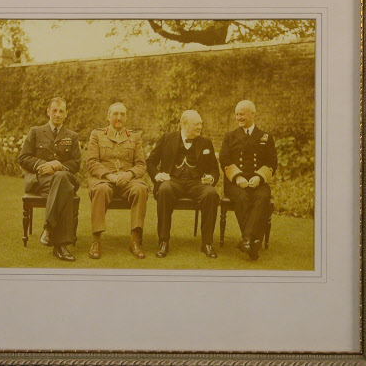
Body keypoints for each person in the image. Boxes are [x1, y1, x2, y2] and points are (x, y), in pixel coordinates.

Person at [146, 110, 220, 258]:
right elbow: (151, 161)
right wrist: (157, 175)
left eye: (200, 124)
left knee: (211, 194)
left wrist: (211, 178)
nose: (200, 127)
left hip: (196, 183)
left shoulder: (205, 142)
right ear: (183, 124)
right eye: (196, 124)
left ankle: (207, 243)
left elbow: (214, 169)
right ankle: (163, 241)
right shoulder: (167, 138)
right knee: (165, 190)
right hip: (173, 181)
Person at [18, 97, 81, 262]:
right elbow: (23, 158)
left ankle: (48, 227)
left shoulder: (72, 136)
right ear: (48, 111)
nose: (58, 114)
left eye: (61, 111)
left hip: (64, 176)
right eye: (55, 110)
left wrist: (58, 165)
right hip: (42, 181)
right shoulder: (36, 131)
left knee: (61, 179)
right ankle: (60, 246)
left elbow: (76, 163)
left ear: (66, 114)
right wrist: (44, 165)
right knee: (63, 189)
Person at [86, 102, 148, 259]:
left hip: (128, 180)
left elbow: (141, 165)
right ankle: (96, 240)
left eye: (122, 114)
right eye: (115, 114)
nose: (119, 117)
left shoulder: (134, 137)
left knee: (140, 189)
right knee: (101, 189)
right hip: (105, 179)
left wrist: (129, 174)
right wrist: (110, 176)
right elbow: (92, 162)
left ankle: (135, 240)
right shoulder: (97, 135)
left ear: (126, 117)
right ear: (108, 116)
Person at [219, 100, 277, 261]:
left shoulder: (265, 137)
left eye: (242, 114)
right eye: (237, 114)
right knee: (242, 197)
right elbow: (224, 160)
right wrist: (238, 178)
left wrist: (259, 177)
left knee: (263, 198)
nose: (239, 117)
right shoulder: (229, 137)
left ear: (252, 114)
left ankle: (247, 240)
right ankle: (254, 241)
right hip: (235, 183)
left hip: (258, 182)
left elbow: (272, 162)